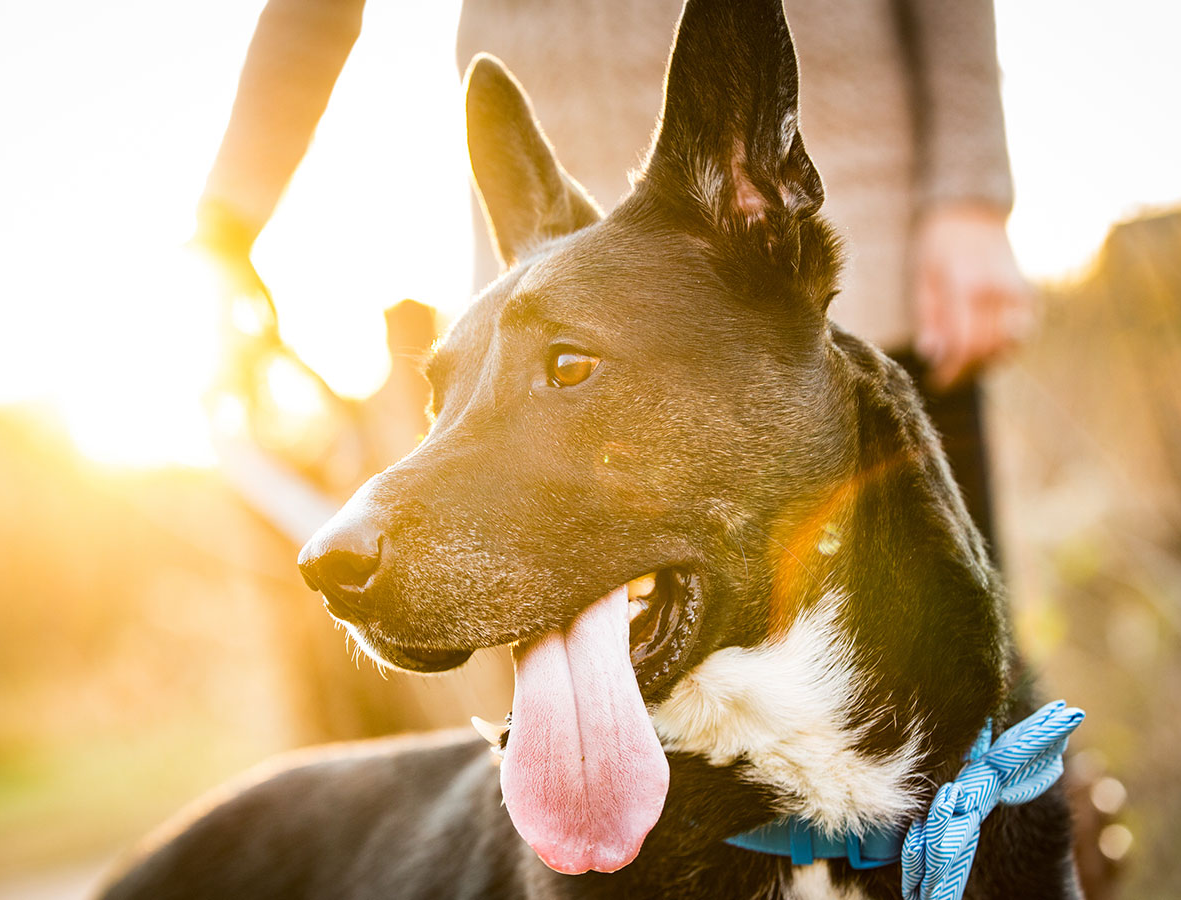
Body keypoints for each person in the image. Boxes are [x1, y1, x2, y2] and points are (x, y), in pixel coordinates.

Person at [191, 0, 1031, 554]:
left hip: (834, 238)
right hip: (536, 240)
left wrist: (969, 192)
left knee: (946, 706)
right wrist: (227, 220)